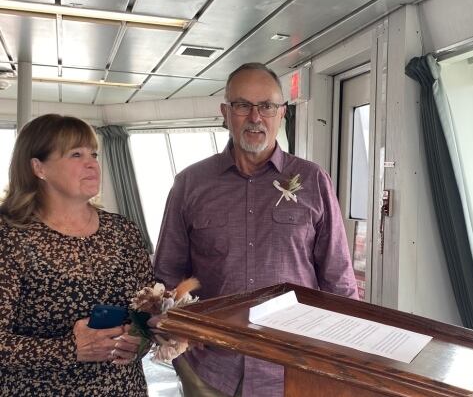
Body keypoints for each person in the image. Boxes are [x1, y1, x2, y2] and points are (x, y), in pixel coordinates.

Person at [154, 62, 358, 396]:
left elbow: (338, 279)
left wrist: (344, 363)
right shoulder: (190, 184)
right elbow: (167, 277)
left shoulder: (313, 180)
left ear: (282, 113)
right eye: (242, 105)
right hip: (210, 370)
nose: (255, 117)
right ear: (225, 112)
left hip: (293, 371)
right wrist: (176, 339)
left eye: (266, 106)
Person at [0, 114, 153, 396]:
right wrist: (69, 348)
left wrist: (141, 340)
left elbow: (147, 313)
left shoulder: (123, 231)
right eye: (75, 154)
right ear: (38, 167)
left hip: (124, 388)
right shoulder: (10, 236)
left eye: (93, 153)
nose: (92, 163)